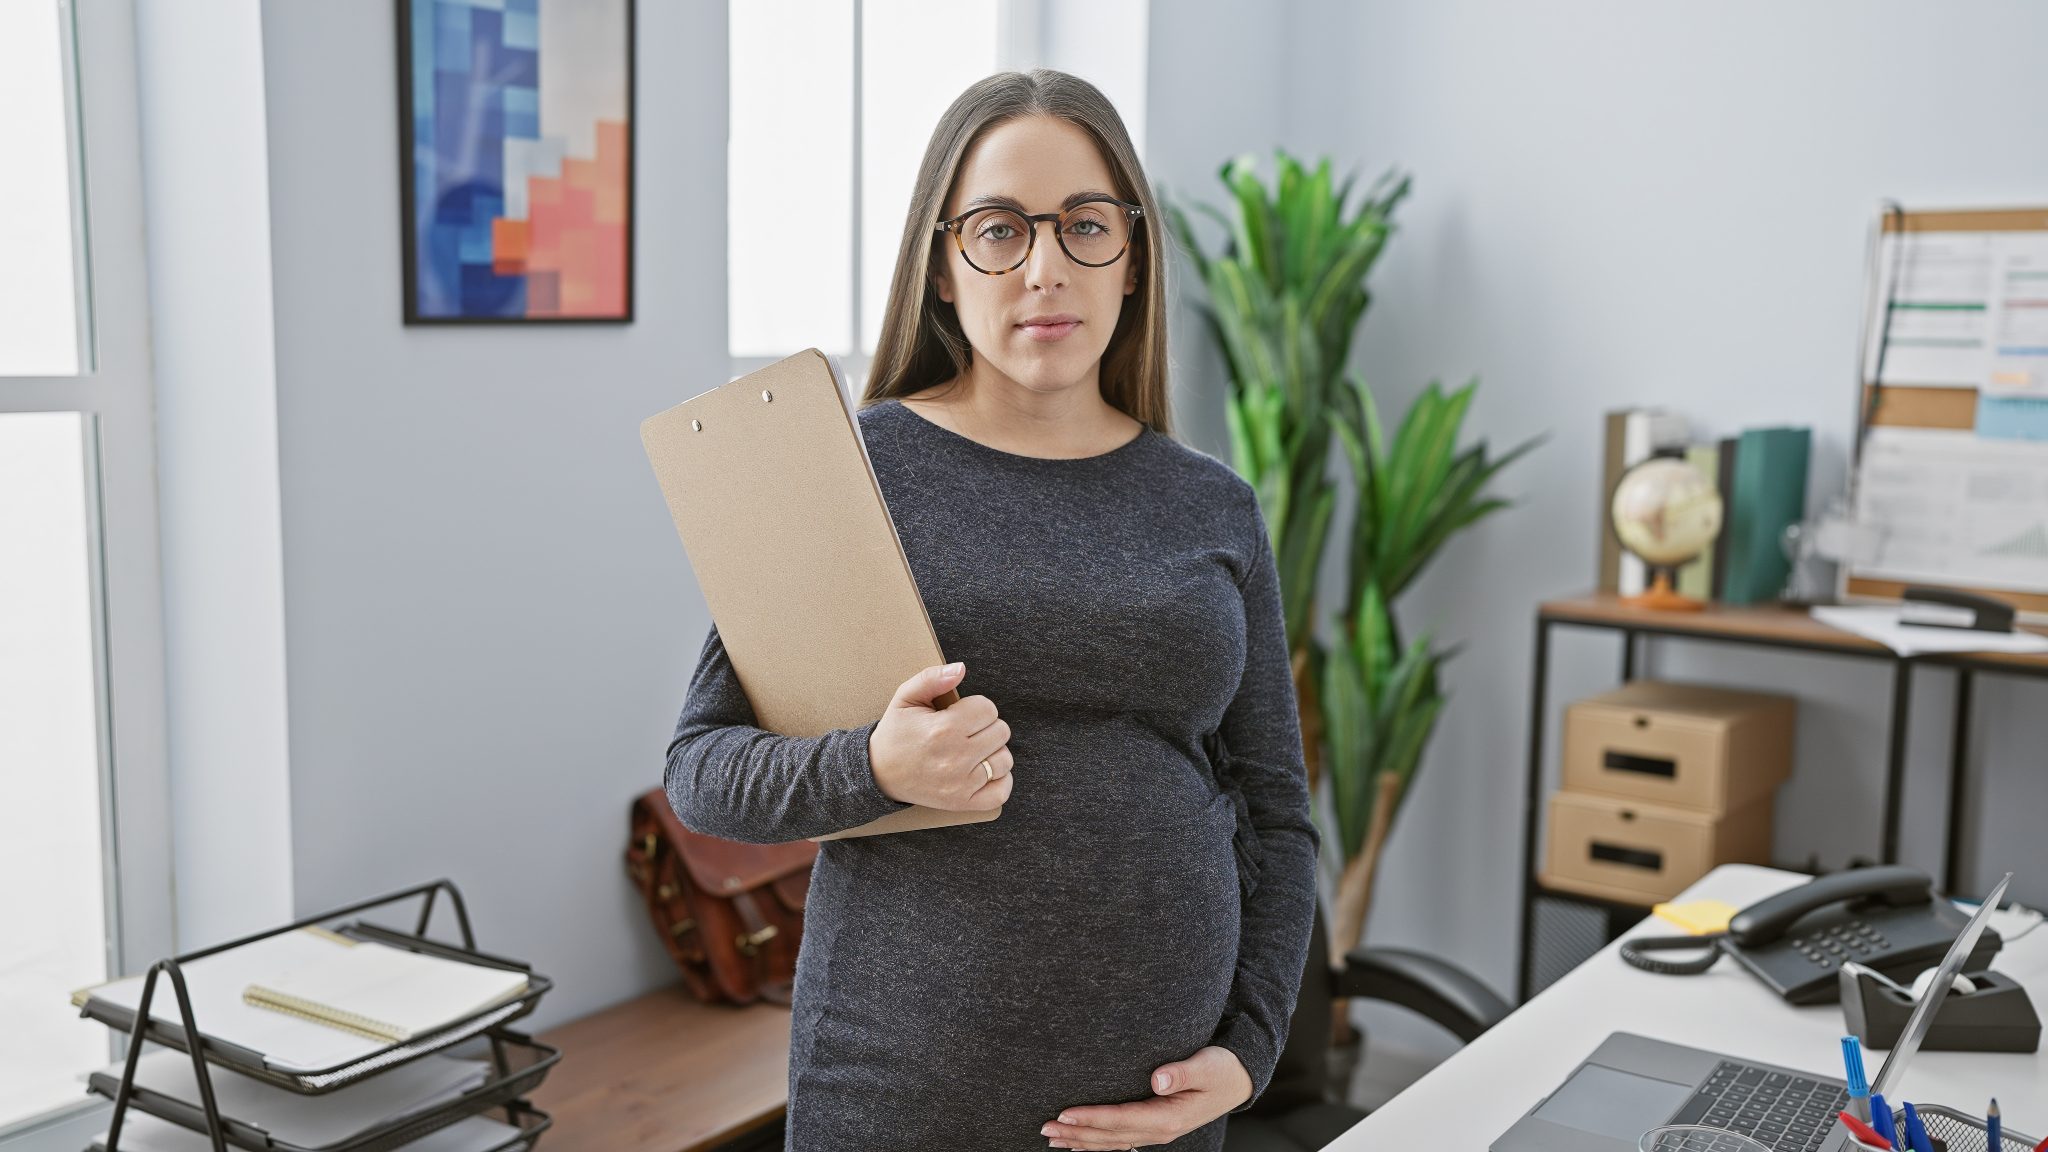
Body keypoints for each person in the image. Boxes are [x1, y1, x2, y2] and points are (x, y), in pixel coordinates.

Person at [664, 68, 1319, 1152]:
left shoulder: (1212, 504)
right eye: (1000, 229)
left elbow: (1275, 811)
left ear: (1133, 255)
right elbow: (704, 771)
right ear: (939, 263)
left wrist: (1247, 1054)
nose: (1046, 269)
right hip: (900, 1093)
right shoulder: (852, 472)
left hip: (1159, 1114)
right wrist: (872, 768)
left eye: (1085, 225)